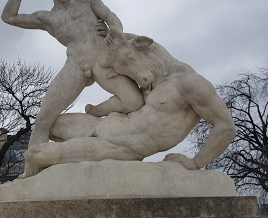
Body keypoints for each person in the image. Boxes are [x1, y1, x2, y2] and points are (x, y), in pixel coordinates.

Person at [23, 29, 237, 176]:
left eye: (128, 63)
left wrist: (196, 162)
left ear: (142, 48)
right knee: (51, 125)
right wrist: (107, 31)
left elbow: (226, 126)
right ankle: (75, 158)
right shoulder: (152, 80)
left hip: (120, 146)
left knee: (34, 154)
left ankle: (79, 158)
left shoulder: (190, 84)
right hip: (105, 125)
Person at [1, 0, 144, 176]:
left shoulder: (89, 3)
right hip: (76, 66)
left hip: (102, 61)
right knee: (43, 120)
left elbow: (112, 17)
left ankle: (95, 112)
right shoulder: (48, 18)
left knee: (134, 102)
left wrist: (114, 32)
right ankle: (30, 173)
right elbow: (8, 17)